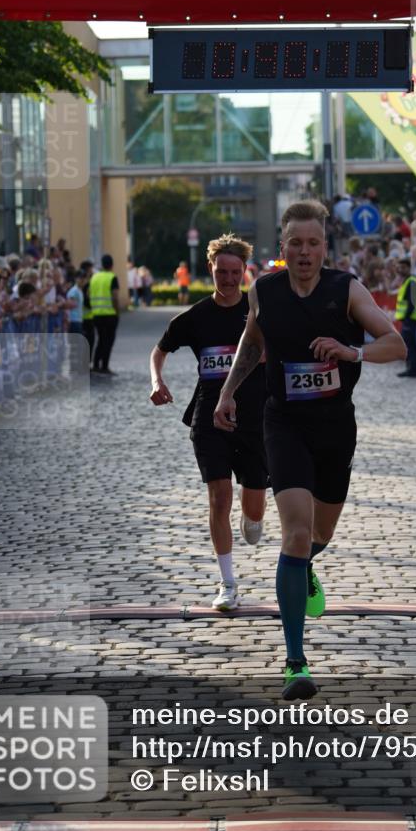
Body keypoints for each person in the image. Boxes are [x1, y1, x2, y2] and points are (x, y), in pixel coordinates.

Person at [213, 200, 406, 700]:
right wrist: (228, 392)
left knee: (319, 533)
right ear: (283, 247)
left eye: (313, 243)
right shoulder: (265, 292)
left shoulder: (347, 290)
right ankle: (295, 661)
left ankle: (304, 568)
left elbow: (395, 344)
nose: (304, 251)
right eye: (294, 243)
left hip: (335, 427)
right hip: (284, 422)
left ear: (325, 246)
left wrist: (352, 351)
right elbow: (252, 344)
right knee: (295, 533)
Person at [150, 234, 268, 611]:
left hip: (255, 415)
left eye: (236, 272)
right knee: (219, 497)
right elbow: (160, 349)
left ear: (245, 272)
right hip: (209, 413)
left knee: (254, 508)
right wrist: (157, 381)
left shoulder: (260, 312)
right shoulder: (196, 316)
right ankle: (227, 583)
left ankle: (253, 519)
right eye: (222, 272)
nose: (229, 279)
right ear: (211, 270)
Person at [90, 255, 120, 374]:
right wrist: (117, 311)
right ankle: (104, 366)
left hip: (96, 314)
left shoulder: (94, 277)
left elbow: (89, 294)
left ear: (102, 265)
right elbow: (115, 296)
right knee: (108, 341)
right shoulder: (112, 277)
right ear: (112, 265)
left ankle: (96, 364)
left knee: (100, 340)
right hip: (110, 314)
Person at [395, 257, 416, 378]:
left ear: (409, 268)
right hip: (409, 318)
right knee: (409, 344)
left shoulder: (411, 281)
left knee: (410, 345)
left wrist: (406, 318)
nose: (400, 270)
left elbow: (412, 302)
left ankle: (414, 370)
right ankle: (411, 369)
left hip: (410, 318)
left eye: (403, 268)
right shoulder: (407, 280)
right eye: (399, 267)